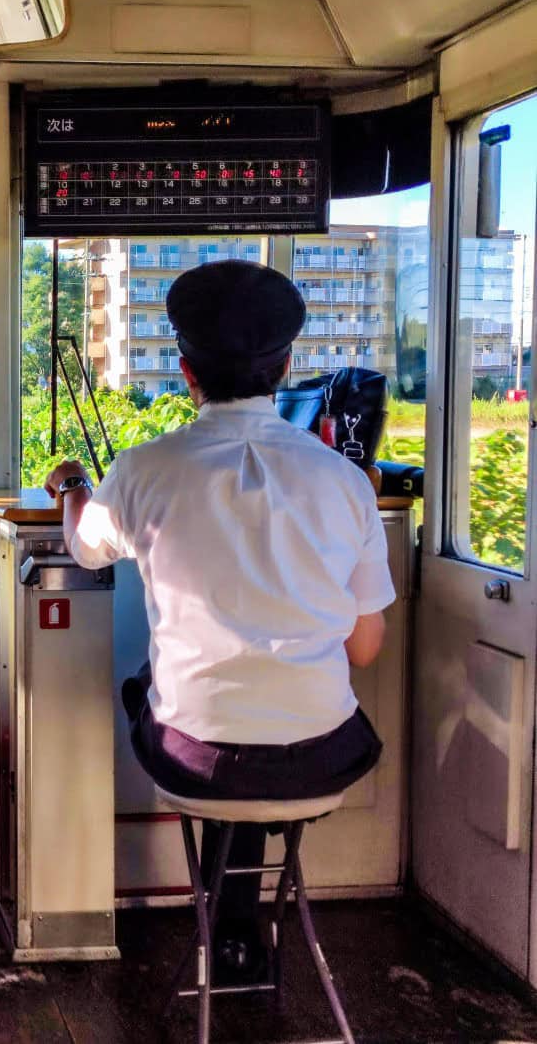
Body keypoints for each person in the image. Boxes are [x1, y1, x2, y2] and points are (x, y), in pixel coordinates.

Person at [44, 260, 394, 982]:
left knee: (165, 697)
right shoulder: (347, 482)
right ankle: (238, 931)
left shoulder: (144, 469)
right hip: (323, 758)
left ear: (185, 373)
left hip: (194, 761)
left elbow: (86, 547)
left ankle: (225, 930)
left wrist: (73, 483)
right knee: (262, 725)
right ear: (285, 368)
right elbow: (365, 648)